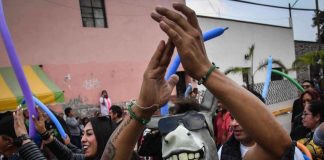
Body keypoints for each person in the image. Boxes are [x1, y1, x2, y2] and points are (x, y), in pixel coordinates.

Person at [100, 3, 304, 160]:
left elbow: (279, 147)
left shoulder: (226, 155)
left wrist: (206, 71)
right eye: (169, 128)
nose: (180, 135)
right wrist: (143, 110)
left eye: (194, 125)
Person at [32, 107, 117, 160]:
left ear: (103, 136)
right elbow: (70, 157)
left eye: (89, 133)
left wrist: (24, 140)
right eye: (83, 134)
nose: (83, 139)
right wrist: (44, 133)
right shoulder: (89, 157)